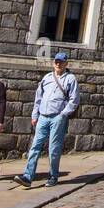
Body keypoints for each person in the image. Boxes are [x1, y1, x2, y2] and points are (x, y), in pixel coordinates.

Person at [13, 52, 79, 188]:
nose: (58, 64)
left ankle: (53, 176)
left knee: (53, 148)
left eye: (61, 62)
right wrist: (34, 114)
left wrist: (63, 114)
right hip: (43, 116)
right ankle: (27, 176)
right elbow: (39, 97)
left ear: (66, 63)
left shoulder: (71, 79)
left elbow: (74, 99)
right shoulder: (47, 78)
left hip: (57, 117)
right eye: (56, 62)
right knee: (35, 147)